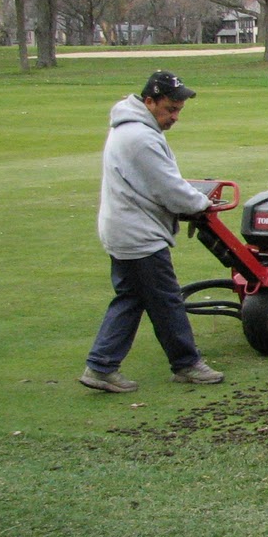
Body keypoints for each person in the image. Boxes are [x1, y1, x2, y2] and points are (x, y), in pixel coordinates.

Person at [80, 70, 225, 392]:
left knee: (131, 298)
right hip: (138, 235)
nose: (174, 117)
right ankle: (187, 364)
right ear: (149, 101)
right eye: (170, 109)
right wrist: (200, 203)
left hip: (123, 229)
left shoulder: (130, 130)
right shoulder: (139, 138)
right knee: (166, 300)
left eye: (178, 111)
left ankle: (101, 366)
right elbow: (167, 187)